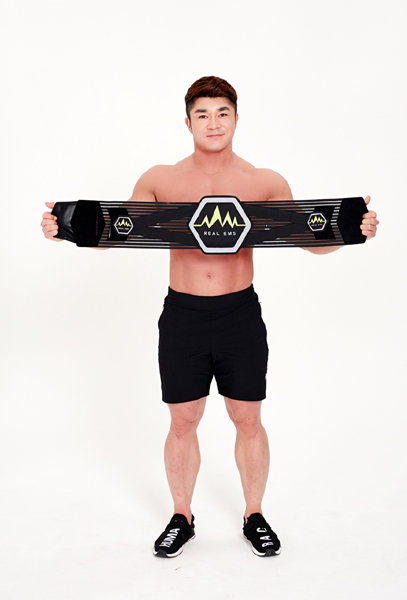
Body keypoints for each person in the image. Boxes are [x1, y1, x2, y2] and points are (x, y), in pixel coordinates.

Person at [41, 75, 379, 558]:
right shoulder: (161, 179)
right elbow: (119, 232)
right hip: (183, 316)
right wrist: (67, 229)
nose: (213, 122)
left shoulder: (264, 182)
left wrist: (353, 231)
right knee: (183, 422)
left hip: (240, 314)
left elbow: (308, 239)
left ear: (236, 118)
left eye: (222, 113)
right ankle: (182, 517)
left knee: (248, 419)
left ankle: (254, 514)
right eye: (202, 114)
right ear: (188, 123)